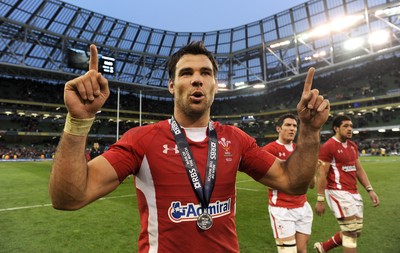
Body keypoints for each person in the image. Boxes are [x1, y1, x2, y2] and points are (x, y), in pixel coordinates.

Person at [49, 41, 330, 253]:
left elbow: (292, 183)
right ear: (172, 86)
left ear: (214, 85)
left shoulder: (236, 139)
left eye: (205, 73)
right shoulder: (142, 140)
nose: (197, 79)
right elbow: (69, 198)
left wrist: (310, 131)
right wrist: (78, 120)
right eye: (186, 73)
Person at [313, 115, 380, 253]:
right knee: (350, 231)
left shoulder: (352, 146)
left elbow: (359, 170)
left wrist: (370, 190)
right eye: (345, 126)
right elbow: (322, 174)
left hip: (353, 193)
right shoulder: (328, 147)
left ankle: (324, 247)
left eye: (351, 126)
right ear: (336, 128)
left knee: (356, 231)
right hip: (337, 192)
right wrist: (320, 199)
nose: (350, 129)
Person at [262, 113, 315, 253]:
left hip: (302, 207)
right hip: (282, 209)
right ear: (278, 129)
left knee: (302, 250)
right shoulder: (269, 150)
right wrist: (292, 177)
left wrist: (312, 171)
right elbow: (266, 181)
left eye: (294, 126)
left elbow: (310, 185)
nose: (292, 129)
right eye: (288, 125)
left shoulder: (300, 151)